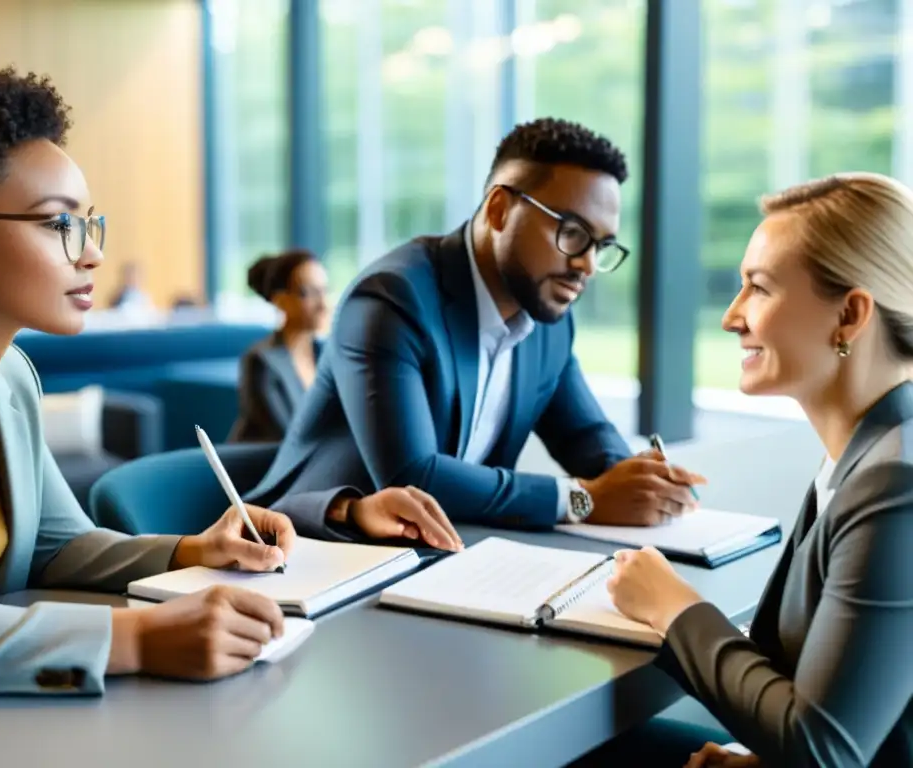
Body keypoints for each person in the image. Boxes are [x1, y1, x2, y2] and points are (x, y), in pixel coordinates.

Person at [0, 65, 455, 701]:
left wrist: (195, 550)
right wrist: (140, 637)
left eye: (88, 224)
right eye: (58, 224)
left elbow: (59, 545)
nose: (91, 253)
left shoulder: (11, 379)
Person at [246, 118, 704, 536]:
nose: (585, 264)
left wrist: (643, 480)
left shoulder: (546, 316)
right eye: (572, 233)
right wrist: (582, 499)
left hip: (451, 552)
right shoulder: (391, 300)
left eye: (600, 246)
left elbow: (583, 434)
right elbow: (414, 475)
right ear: (501, 210)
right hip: (320, 551)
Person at [594, 172, 913, 767]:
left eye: (758, 288)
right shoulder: (865, 451)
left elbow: (824, 749)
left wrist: (676, 609)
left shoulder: (895, 484)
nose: (732, 316)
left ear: (848, 315)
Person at [228, 249, 328, 443]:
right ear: (281, 300)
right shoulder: (261, 361)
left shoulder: (325, 355)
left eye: (324, 290)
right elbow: (288, 438)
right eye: (309, 293)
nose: (323, 304)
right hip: (265, 468)